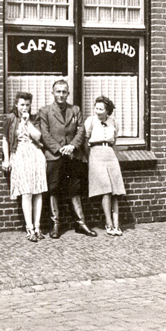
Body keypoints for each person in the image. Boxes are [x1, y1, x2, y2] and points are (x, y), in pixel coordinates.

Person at [38, 80, 97, 239]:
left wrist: (72, 146)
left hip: (72, 155)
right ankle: (55, 224)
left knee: (74, 189)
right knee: (54, 188)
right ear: (53, 93)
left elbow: (81, 131)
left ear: (68, 93)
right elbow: (45, 134)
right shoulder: (45, 112)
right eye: (58, 91)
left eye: (64, 92)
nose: (61, 95)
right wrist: (59, 149)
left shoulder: (75, 110)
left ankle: (81, 223)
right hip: (54, 156)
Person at [2, 92, 47, 242]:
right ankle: (29, 228)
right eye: (22, 104)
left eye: (27, 105)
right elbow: (5, 140)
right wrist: (6, 160)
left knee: (38, 191)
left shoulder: (34, 119)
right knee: (26, 191)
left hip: (35, 155)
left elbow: (38, 137)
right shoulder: (10, 119)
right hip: (20, 155)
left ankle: (37, 226)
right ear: (16, 105)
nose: (25, 107)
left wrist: (27, 123)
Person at [84, 96, 126, 236]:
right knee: (105, 189)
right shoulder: (90, 121)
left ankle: (116, 224)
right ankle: (108, 223)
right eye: (96, 108)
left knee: (115, 190)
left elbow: (114, 140)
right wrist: (89, 157)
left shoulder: (114, 122)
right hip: (96, 154)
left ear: (107, 110)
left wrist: (110, 150)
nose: (97, 111)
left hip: (110, 154)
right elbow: (86, 140)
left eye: (101, 109)